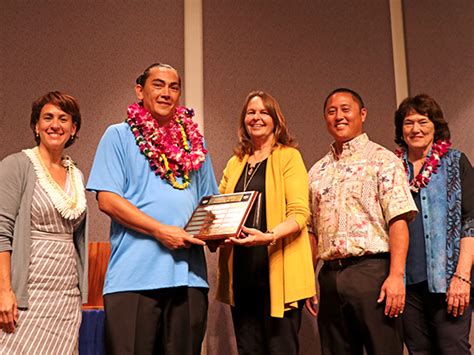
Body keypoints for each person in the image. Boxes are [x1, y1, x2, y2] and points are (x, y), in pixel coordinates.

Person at [86, 62, 218, 355]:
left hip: (188, 278)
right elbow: (107, 200)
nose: (166, 93)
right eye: (158, 84)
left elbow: (209, 204)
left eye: (173, 87)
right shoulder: (118, 136)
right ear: (140, 91)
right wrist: (161, 231)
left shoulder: (194, 144)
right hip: (133, 278)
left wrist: (223, 231)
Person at [308, 88, 417, 355]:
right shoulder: (317, 171)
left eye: (346, 109)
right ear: (325, 118)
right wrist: (309, 277)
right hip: (330, 277)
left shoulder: (383, 161)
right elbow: (311, 231)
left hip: (373, 274)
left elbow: (399, 220)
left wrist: (396, 276)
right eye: (332, 111)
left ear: (362, 114)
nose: (339, 116)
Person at [216, 91, 315, 355]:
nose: (256, 117)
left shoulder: (289, 157)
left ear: (275, 120)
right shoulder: (235, 163)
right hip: (242, 274)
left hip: (278, 272)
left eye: (263, 112)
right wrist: (211, 233)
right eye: (251, 112)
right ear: (243, 120)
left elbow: (299, 213)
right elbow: (220, 210)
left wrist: (268, 236)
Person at [0, 92, 88, 354]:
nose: (55, 124)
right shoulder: (16, 165)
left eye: (63, 118)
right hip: (27, 295)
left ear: (73, 129)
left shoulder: (76, 173)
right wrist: (4, 291)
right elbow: (1, 232)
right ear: (36, 126)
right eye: (47, 117)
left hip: (65, 297)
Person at [394, 94, 473, 354]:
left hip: (448, 280)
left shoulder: (454, 162)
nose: (415, 129)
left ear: (435, 125)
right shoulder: (391, 168)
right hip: (407, 284)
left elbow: (470, 222)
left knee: (453, 349)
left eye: (423, 121)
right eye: (408, 123)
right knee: (418, 351)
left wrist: (462, 277)